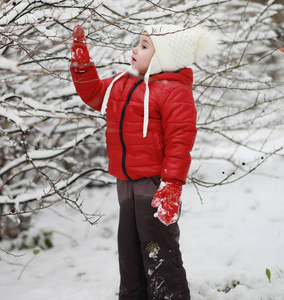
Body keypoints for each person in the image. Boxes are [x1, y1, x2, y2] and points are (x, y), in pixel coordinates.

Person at [70, 23, 216, 300]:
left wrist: (172, 184)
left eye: (144, 46)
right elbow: (93, 94)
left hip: (155, 185)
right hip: (125, 183)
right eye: (138, 43)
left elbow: (180, 141)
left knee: (158, 249)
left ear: (164, 56)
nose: (134, 49)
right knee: (130, 250)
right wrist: (82, 66)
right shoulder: (124, 83)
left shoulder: (174, 92)